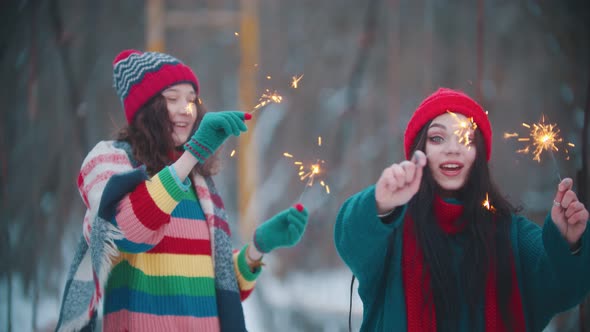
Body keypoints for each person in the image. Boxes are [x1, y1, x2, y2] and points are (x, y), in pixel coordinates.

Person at [56, 49, 309, 332]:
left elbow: (215, 291)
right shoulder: (111, 161)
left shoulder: (202, 187)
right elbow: (126, 232)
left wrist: (257, 249)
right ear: (145, 108)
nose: (185, 109)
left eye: (191, 100)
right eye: (172, 98)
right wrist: (191, 157)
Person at [334, 88, 590, 332]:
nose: (452, 148)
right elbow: (350, 237)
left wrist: (568, 242)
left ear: (478, 153)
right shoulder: (391, 233)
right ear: (420, 151)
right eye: (437, 138)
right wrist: (381, 201)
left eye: (466, 138)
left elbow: (565, 288)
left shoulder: (515, 235)